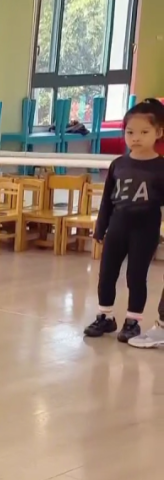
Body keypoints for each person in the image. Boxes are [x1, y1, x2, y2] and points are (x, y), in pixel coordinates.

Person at [84, 98, 164, 343]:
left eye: (144, 132)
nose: (136, 138)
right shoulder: (118, 164)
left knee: (136, 276)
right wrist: (100, 229)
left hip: (145, 229)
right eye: (130, 132)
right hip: (118, 227)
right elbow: (107, 200)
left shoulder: (161, 167)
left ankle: (133, 321)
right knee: (106, 273)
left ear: (159, 133)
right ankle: (105, 316)